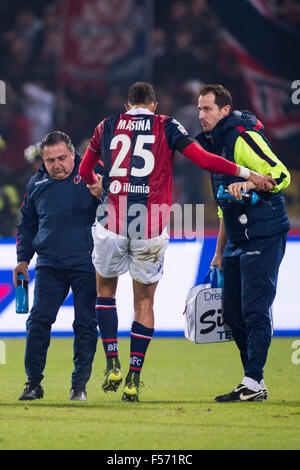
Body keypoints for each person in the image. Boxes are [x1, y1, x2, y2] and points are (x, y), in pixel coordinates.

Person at [78, 81, 274, 402]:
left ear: (129, 105)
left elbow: (86, 169)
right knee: (144, 303)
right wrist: (246, 173)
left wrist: (95, 186)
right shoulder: (166, 124)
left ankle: (111, 358)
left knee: (105, 292)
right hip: (149, 225)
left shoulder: (107, 125)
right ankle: (133, 378)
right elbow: (204, 160)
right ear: (153, 105)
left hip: (111, 221)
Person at [195, 84, 291, 402]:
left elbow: (280, 173)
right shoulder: (214, 144)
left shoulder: (241, 136)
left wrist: (251, 181)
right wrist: (219, 253)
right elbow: (224, 208)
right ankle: (254, 381)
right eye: (199, 109)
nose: (200, 115)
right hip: (237, 238)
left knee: (254, 310)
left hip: (264, 233)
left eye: (207, 109)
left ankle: (252, 380)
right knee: (233, 315)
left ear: (224, 110)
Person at [13, 131, 103, 401]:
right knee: (38, 321)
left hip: (87, 263)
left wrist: (104, 193)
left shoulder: (93, 176)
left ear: (73, 155)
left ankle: (79, 387)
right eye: (50, 160)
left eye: (62, 158)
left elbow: (118, 209)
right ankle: (33, 383)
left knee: (86, 324)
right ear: (43, 159)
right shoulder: (36, 183)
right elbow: (27, 223)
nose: (57, 165)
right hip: (49, 264)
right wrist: (22, 258)